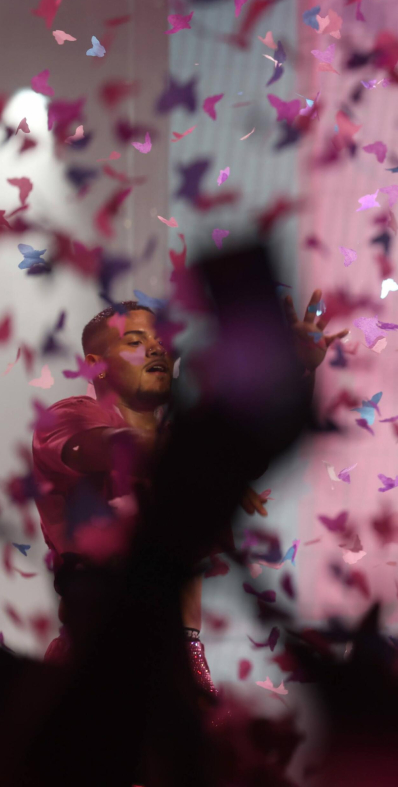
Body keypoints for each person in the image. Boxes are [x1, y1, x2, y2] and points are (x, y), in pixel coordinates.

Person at [31, 292, 344, 697]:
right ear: (96, 366)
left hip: (182, 660)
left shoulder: (188, 444)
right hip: (99, 661)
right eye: (135, 341)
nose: (156, 348)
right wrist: (210, 455)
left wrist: (295, 369)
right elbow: (117, 447)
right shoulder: (71, 417)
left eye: (161, 340)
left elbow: (255, 448)